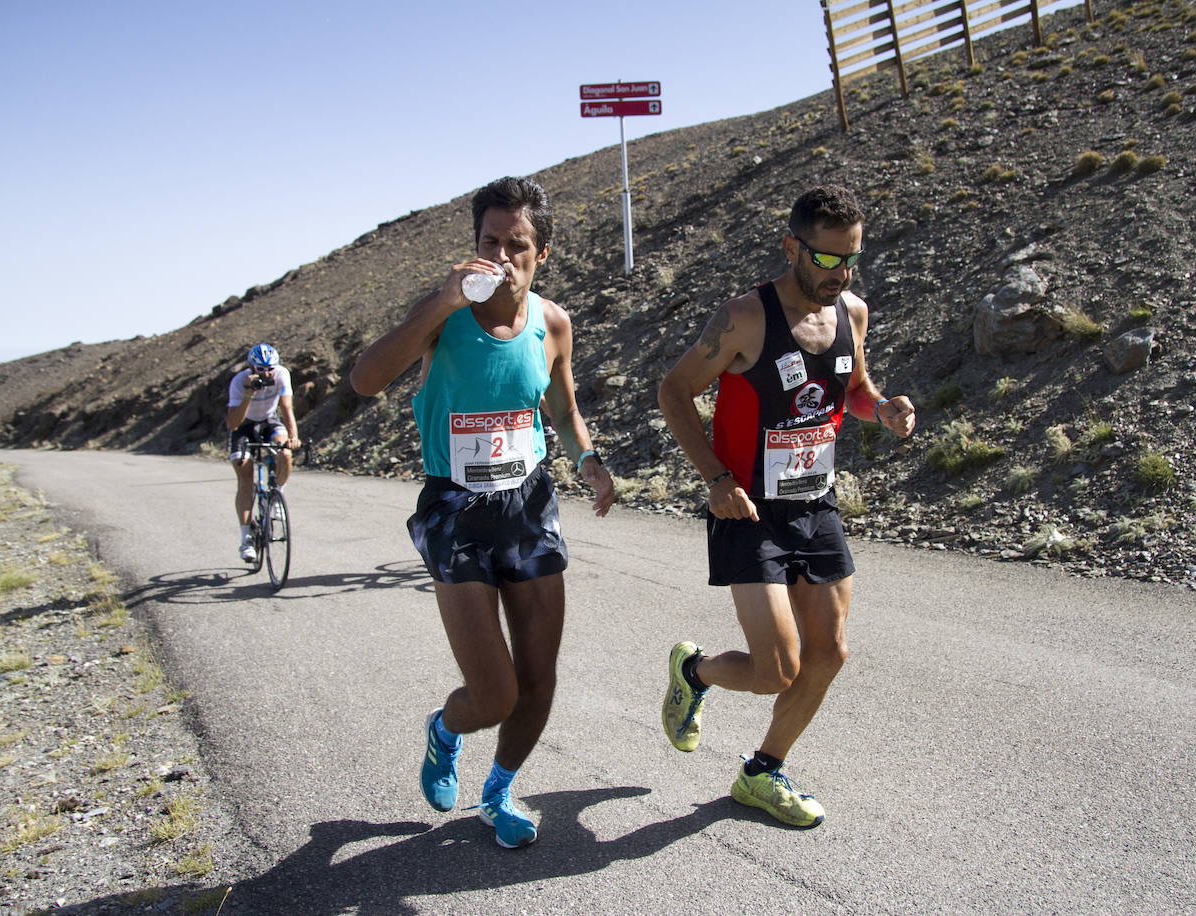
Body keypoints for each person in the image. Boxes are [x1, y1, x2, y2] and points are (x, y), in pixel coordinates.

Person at [349, 176, 615, 849]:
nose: (500, 256)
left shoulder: (553, 323)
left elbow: (563, 409)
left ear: (541, 252)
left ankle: (498, 793)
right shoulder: (444, 316)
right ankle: (445, 732)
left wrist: (588, 460)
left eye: (516, 244)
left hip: (527, 505)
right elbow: (365, 379)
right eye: (489, 241)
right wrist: (441, 301)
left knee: (538, 678)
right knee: (494, 694)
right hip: (455, 508)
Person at [656, 185, 915, 828]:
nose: (840, 274)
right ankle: (695, 671)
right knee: (776, 669)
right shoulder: (745, 318)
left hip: (814, 502)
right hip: (746, 509)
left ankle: (762, 771)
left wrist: (882, 409)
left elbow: (853, 389)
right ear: (791, 247)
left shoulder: (852, 312)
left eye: (851, 259)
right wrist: (716, 478)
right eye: (826, 259)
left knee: (830, 654)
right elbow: (674, 391)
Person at [226, 343, 301, 562]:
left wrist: (293, 437)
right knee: (244, 476)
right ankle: (246, 539)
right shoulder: (239, 381)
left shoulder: (281, 374)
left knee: (284, 453)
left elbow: (286, 408)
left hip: (269, 421)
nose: (266, 374)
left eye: (270, 369)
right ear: (251, 368)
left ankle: (277, 495)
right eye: (261, 370)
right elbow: (232, 423)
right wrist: (249, 393)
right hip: (244, 426)